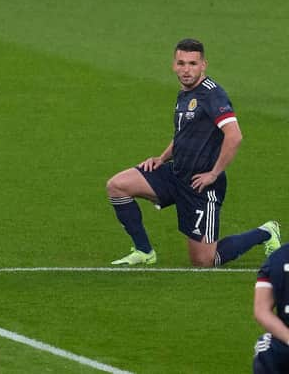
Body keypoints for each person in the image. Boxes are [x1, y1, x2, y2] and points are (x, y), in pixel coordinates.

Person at [106, 38, 280, 267]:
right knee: (117, 186)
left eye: (192, 63)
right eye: (181, 63)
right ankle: (144, 251)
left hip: (201, 185)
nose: (186, 70)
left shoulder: (212, 95)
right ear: (174, 65)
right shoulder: (186, 92)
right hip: (176, 173)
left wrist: (214, 174)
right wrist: (161, 158)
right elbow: (184, 134)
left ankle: (265, 232)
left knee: (204, 261)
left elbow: (234, 135)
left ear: (203, 65)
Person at [253, 243, 289, 373]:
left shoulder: (277, 259)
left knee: (265, 348)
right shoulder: (278, 259)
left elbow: (261, 310)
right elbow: (261, 310)